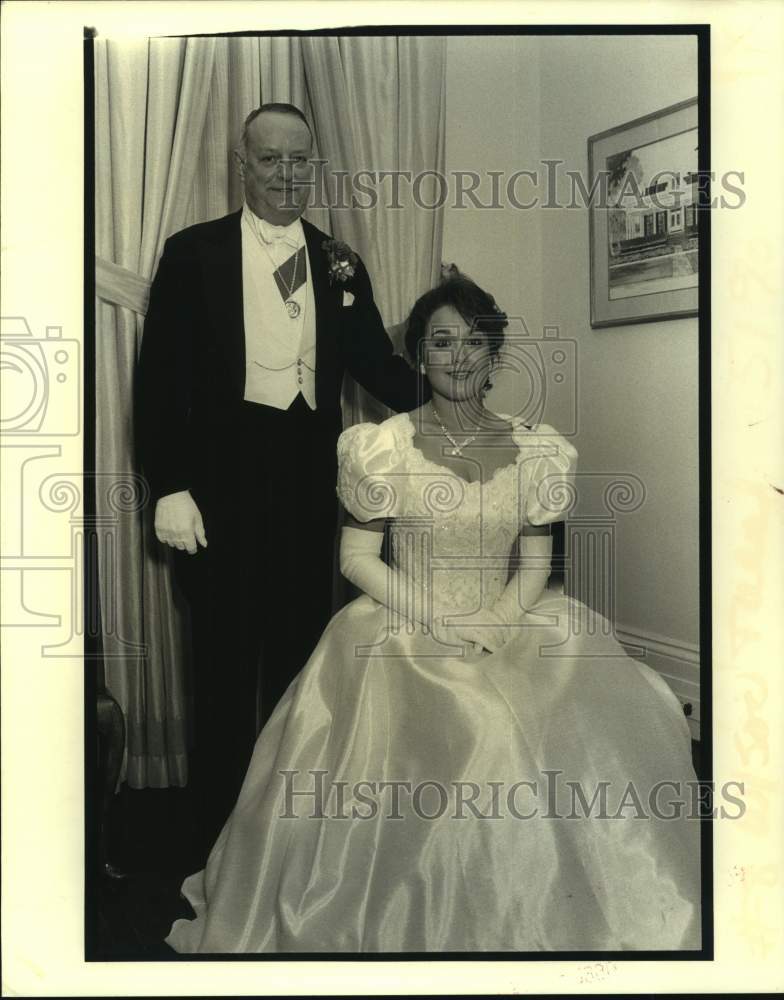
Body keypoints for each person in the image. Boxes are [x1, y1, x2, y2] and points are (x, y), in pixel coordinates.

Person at [165, 274, 701, 953]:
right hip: (401, 625)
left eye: (474, 341)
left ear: (493, 356)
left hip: (508, 622)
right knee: (479, 732)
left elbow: (536, 564)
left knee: (590, 709)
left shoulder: (537, 448)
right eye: (441, 341)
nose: (459, 356)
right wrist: (442, 622)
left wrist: (496, 621)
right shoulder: (381, 444)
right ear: (418, 356)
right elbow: (357, 558)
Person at [136, 104, 424, 852]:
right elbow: (160, 381)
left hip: (305, 485)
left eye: (300, 161)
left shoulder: (340, 260)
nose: (287, 176)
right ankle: (216, 840)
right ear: (244, 164)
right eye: (271, 160)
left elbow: (377, 367)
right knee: (225, 668)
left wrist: (456, 403)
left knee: (301, 659)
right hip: (217, 489)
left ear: (314, 166)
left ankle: (288, 838)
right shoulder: (192, 254)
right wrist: (168, 485)